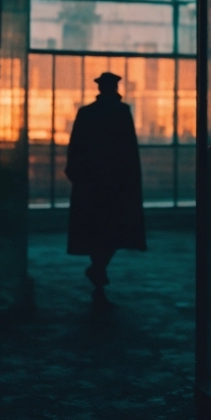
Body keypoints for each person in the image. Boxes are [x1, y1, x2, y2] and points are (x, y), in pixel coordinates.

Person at [65, 71, 146, 308]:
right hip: (116, 183)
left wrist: (77, 175)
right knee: (112, 230)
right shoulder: (122, 112)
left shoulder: (87, 113)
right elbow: (129, 151)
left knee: (94, 229)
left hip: (91, 183)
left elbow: (76, 148)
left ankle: (97, 271)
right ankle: (98, 270)